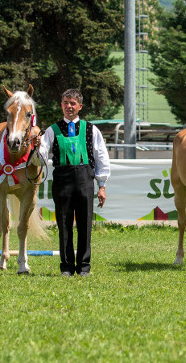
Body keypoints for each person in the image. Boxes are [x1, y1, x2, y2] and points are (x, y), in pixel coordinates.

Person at [34, 88, 110, 276]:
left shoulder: (92, 129)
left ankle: (84, 267)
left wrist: (102, 185)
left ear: (80, 107)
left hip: (85, 179)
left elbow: (102, 157)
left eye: (73, 103)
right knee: (64, 224)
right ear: (61, 105)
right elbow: (41, 159)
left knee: (85, 224)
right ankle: (67, 267)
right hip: (62, 180)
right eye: (66, 103)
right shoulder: (51, 130)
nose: (69, 106)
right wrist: (36, 148)